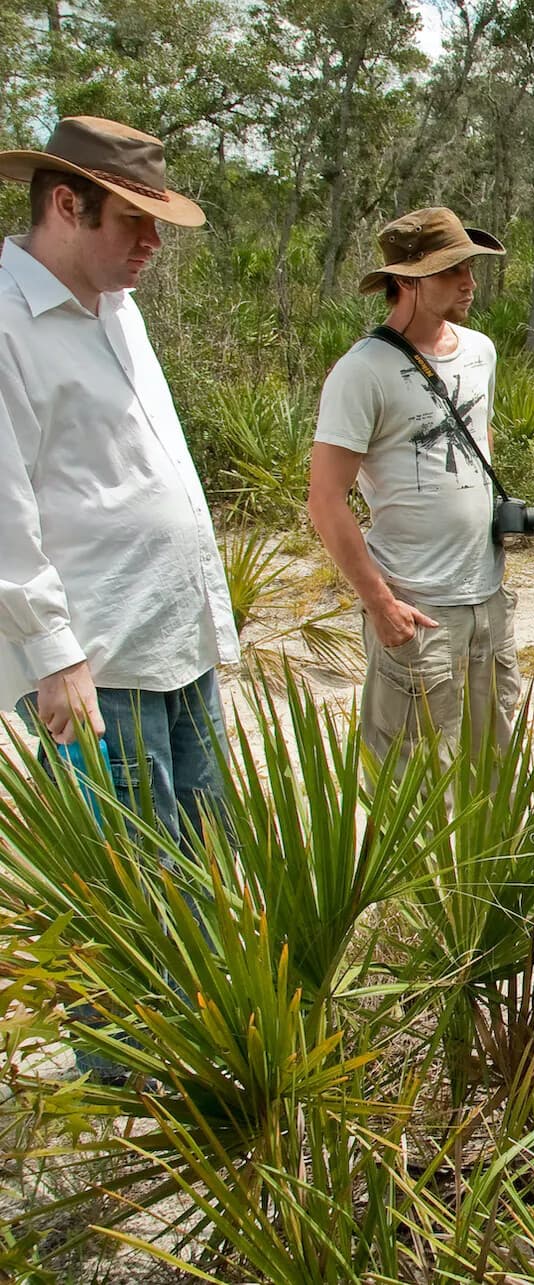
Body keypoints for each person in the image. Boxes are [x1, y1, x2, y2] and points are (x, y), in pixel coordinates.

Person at [0, 116, 237, 847]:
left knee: (214, 864)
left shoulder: (119, 306)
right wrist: (54, 656)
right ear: (68, 206)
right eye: (136, 220)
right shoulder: (8, 326)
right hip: (100, 667)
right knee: (142, 895)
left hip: (178, 642)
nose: (153, 243)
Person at [310, 207, 519, 765]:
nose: (468, 282)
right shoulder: (363, 370)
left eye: (469, 267)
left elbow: (481, 435)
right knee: (416, 775)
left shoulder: (480, 351)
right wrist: (381, 604)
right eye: (451, 270)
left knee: (494, 764)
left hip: (487, 597)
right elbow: (325, 500)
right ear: (405, 280)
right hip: (417, 603)